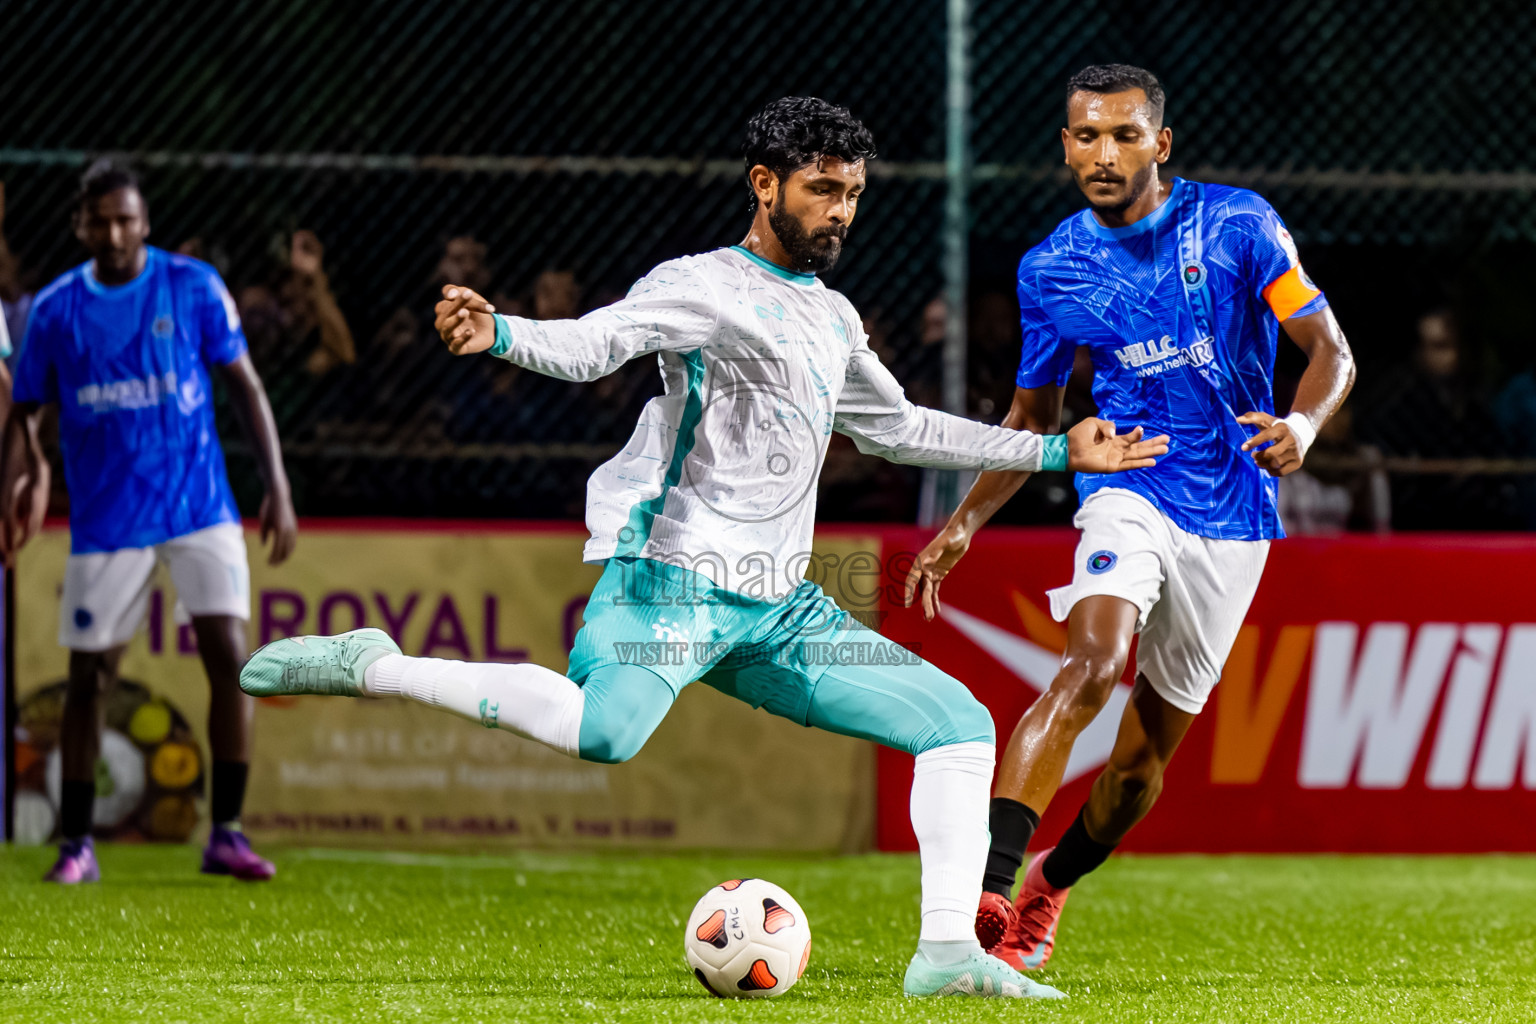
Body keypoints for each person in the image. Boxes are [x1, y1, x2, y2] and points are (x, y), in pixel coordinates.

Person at [239, 96, 1166, 1000]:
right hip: (673, 581)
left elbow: (901, 428)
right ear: (764, 184)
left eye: (851, 194)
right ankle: (379, 666)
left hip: (778, 608)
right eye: (821, 190)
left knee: (957, 725)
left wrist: (1051, 447)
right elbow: (597, 342)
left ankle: (945, 953)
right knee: (605, 733)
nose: (840, 212)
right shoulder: (701, 285)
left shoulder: (834, 318)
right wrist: (503, 335)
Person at [905, 65, 1355, 972]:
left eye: (1122, 135)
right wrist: (962, 524)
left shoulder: (1239, 226)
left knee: (1140, 768)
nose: (1102, 153)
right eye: (1085, 135)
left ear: (1161, 143)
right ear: (1065, 144)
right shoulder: (1053, 268)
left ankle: (1049, 884)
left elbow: (1329, 351)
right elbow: (1031, 420)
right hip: (1129, 485)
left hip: (1234, 513)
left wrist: (1302, 424)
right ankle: (987, 895)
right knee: (1092, 663)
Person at [0, 160, 299, 883]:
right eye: (99, 220)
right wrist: (26, 474)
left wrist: (278, 487)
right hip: (109, 518)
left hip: (200, 507)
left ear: (145, 222)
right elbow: (26, 411)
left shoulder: (192, 287)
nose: (113, 232)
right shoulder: (55, 309)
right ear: (80, 224)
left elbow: (247, 387)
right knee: (89, 678)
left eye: (125, 219)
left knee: (232, 660)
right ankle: (77, 845)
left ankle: (226, 832)